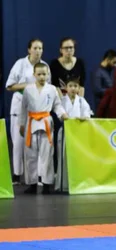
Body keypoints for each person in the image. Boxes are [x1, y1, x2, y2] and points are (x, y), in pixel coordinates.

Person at [5, 39, 51, 183]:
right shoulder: (20, 64)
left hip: (38, 110)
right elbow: (9, 86)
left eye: (40, 48)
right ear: (29, 50)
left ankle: (37, 176)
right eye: (35, 48)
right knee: (18, 142)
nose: (38, 51)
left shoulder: (45, 66)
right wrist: (28, 85)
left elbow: (47, 88)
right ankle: (17, 175)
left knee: (36, 144)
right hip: (19, 107)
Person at [19, 63, 68, 194]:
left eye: (44, 74)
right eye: (39, 74)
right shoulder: (28, 89)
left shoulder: (52, 89)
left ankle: (46, 184)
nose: (42, 76)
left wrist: (62, 114)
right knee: (30, 155)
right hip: (31, 122)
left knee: (47, 154)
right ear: (34, 75)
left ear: (48, 75)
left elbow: (57, 105)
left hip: (46, 122)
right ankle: (32, 184)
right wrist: (22, 124)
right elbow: (23, 108)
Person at [55, 78, 92, 193]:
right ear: (66, 88)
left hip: (78, 133)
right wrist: (63, 115)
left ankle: (77, 184)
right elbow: (58, 110)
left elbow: (87, 112)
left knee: (78, 158)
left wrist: (85, 117)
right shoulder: (62, 100)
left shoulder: (81, 101)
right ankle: (63, 185)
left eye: (76, 86)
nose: (73, 88)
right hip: (66, 131)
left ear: (79, 88)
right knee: (64, 158)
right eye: (70, 86)